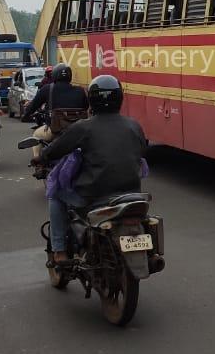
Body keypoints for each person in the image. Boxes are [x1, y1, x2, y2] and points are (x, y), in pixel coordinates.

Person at [37, 75, 146, 264]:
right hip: (132, 192)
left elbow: (55, 150)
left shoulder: (83, 127)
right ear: (120, 97)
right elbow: (141, 151)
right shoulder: (133, 125)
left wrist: (41, 156)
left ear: (92, 99)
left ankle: (59, 250)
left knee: (56, 195)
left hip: (94, 195)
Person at [23, 64, 87, 160]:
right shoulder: (80, 91)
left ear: (54, 75)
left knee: (36, 134)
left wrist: (26, 115)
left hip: (55, 131)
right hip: (78, 132)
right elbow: (86, 107)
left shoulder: (47, 89)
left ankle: (38, 161)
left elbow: (33, 106)